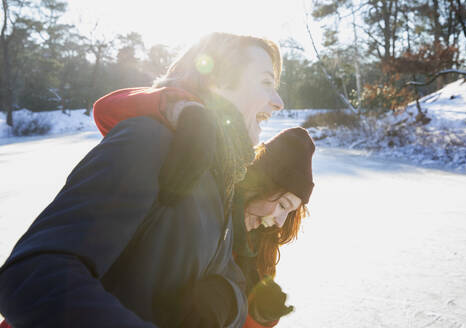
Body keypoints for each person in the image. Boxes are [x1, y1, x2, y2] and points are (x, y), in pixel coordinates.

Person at [0, 32, 284, 328]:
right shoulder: (149, 142)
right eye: (266, 82)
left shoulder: (221, 177)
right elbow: (31, 278)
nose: (278, 102)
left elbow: (227, 275)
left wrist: (226, 301)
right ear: (216, 82)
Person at [232, 127, 315, 328]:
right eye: (282, 205)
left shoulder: (260, 243)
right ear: (260, 185)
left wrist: (260, 315)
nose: (280, 221)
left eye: (289, 212)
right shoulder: (208, 219)